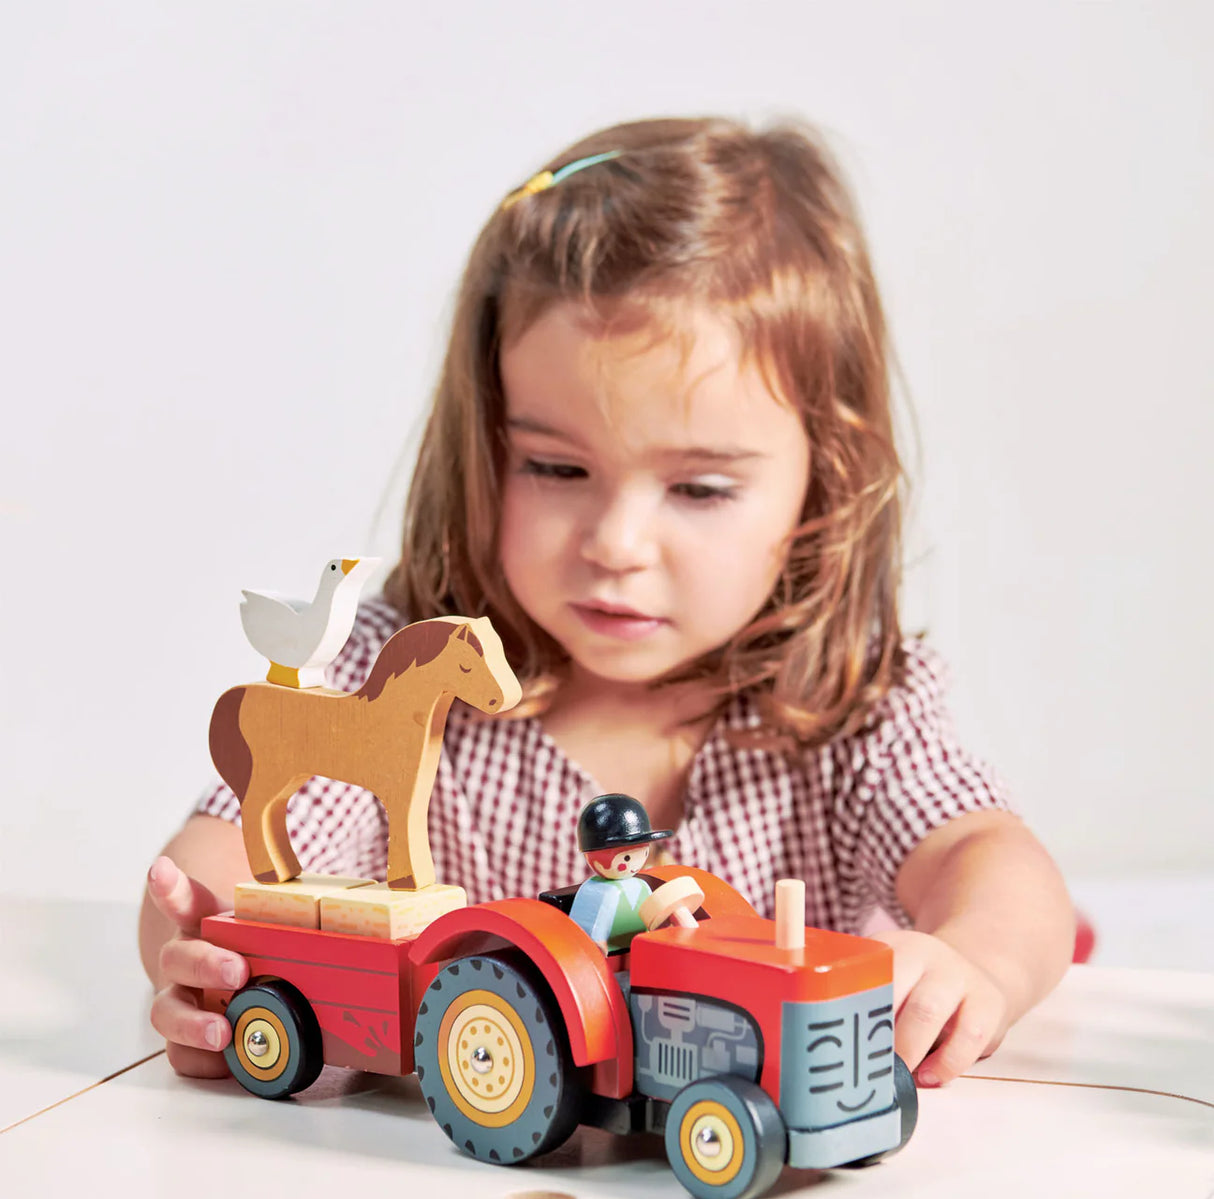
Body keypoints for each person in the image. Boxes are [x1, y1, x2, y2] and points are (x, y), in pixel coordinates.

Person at [139, 115, 1076, 1094]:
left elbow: (992, 861)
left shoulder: (848, 708)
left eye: (699, 489)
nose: (615, 545)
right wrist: (201, 953)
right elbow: (220, 846)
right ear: (483, 447)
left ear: (822, 482)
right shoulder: (400, 670)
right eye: (554, 466)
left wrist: (975, 962)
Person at [570, 794, 673, 952]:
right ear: (595, 857)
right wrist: (598, 944)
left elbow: (653, 917)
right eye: (626, 858)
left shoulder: (642, 886)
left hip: (640, 948)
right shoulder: (599, 892)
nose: (633, 865)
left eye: (643, 853)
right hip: (605, 955)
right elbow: (594, 926)